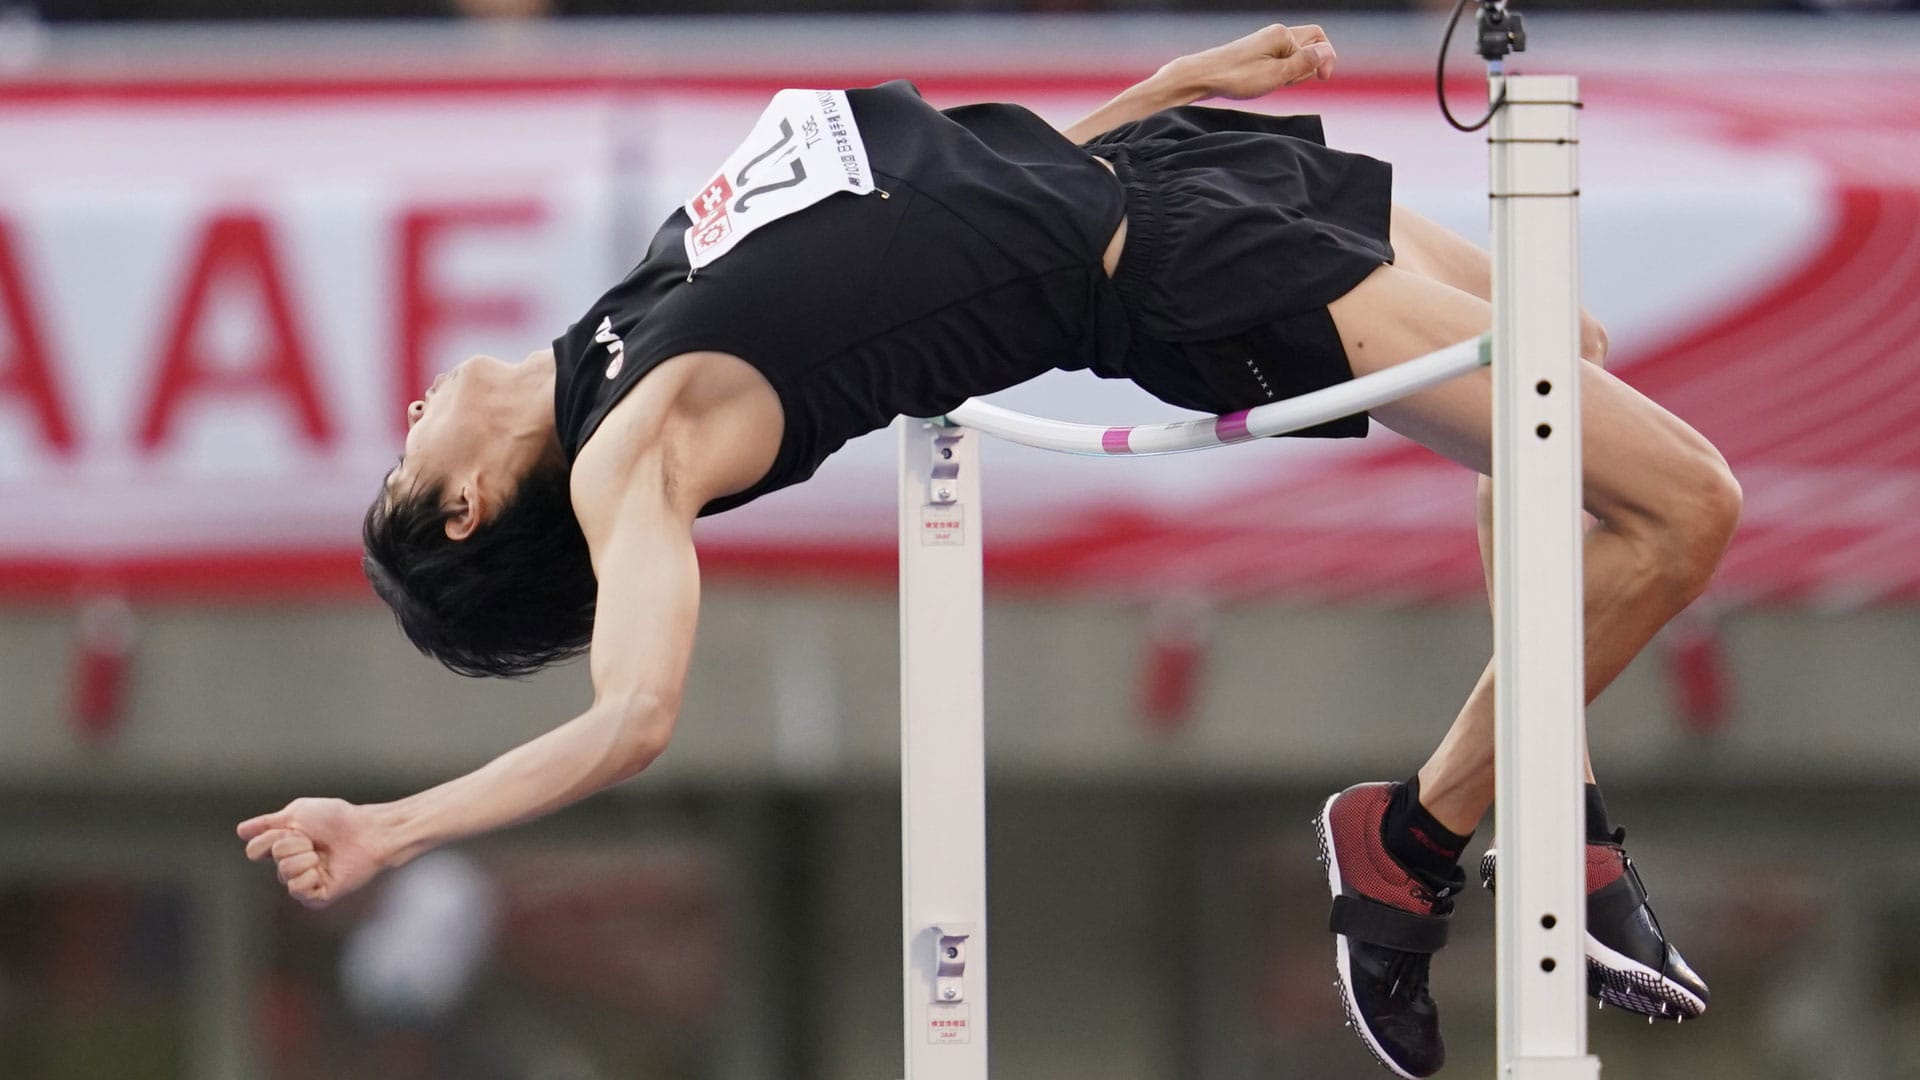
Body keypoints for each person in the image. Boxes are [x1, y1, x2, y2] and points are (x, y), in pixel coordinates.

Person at [238, 24, 1738, 1078]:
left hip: (1172, 174)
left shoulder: (621, 314)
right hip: (1182, 277)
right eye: (404, 455)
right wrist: (396, 827)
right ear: (465, 510)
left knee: (1574, 352)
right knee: (1682, 506)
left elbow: (939, 202)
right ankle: (1417, 843)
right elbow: (634, 717)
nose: (414, 409)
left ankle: (1537, 804)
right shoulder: (643, 446)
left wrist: (1166, 89)